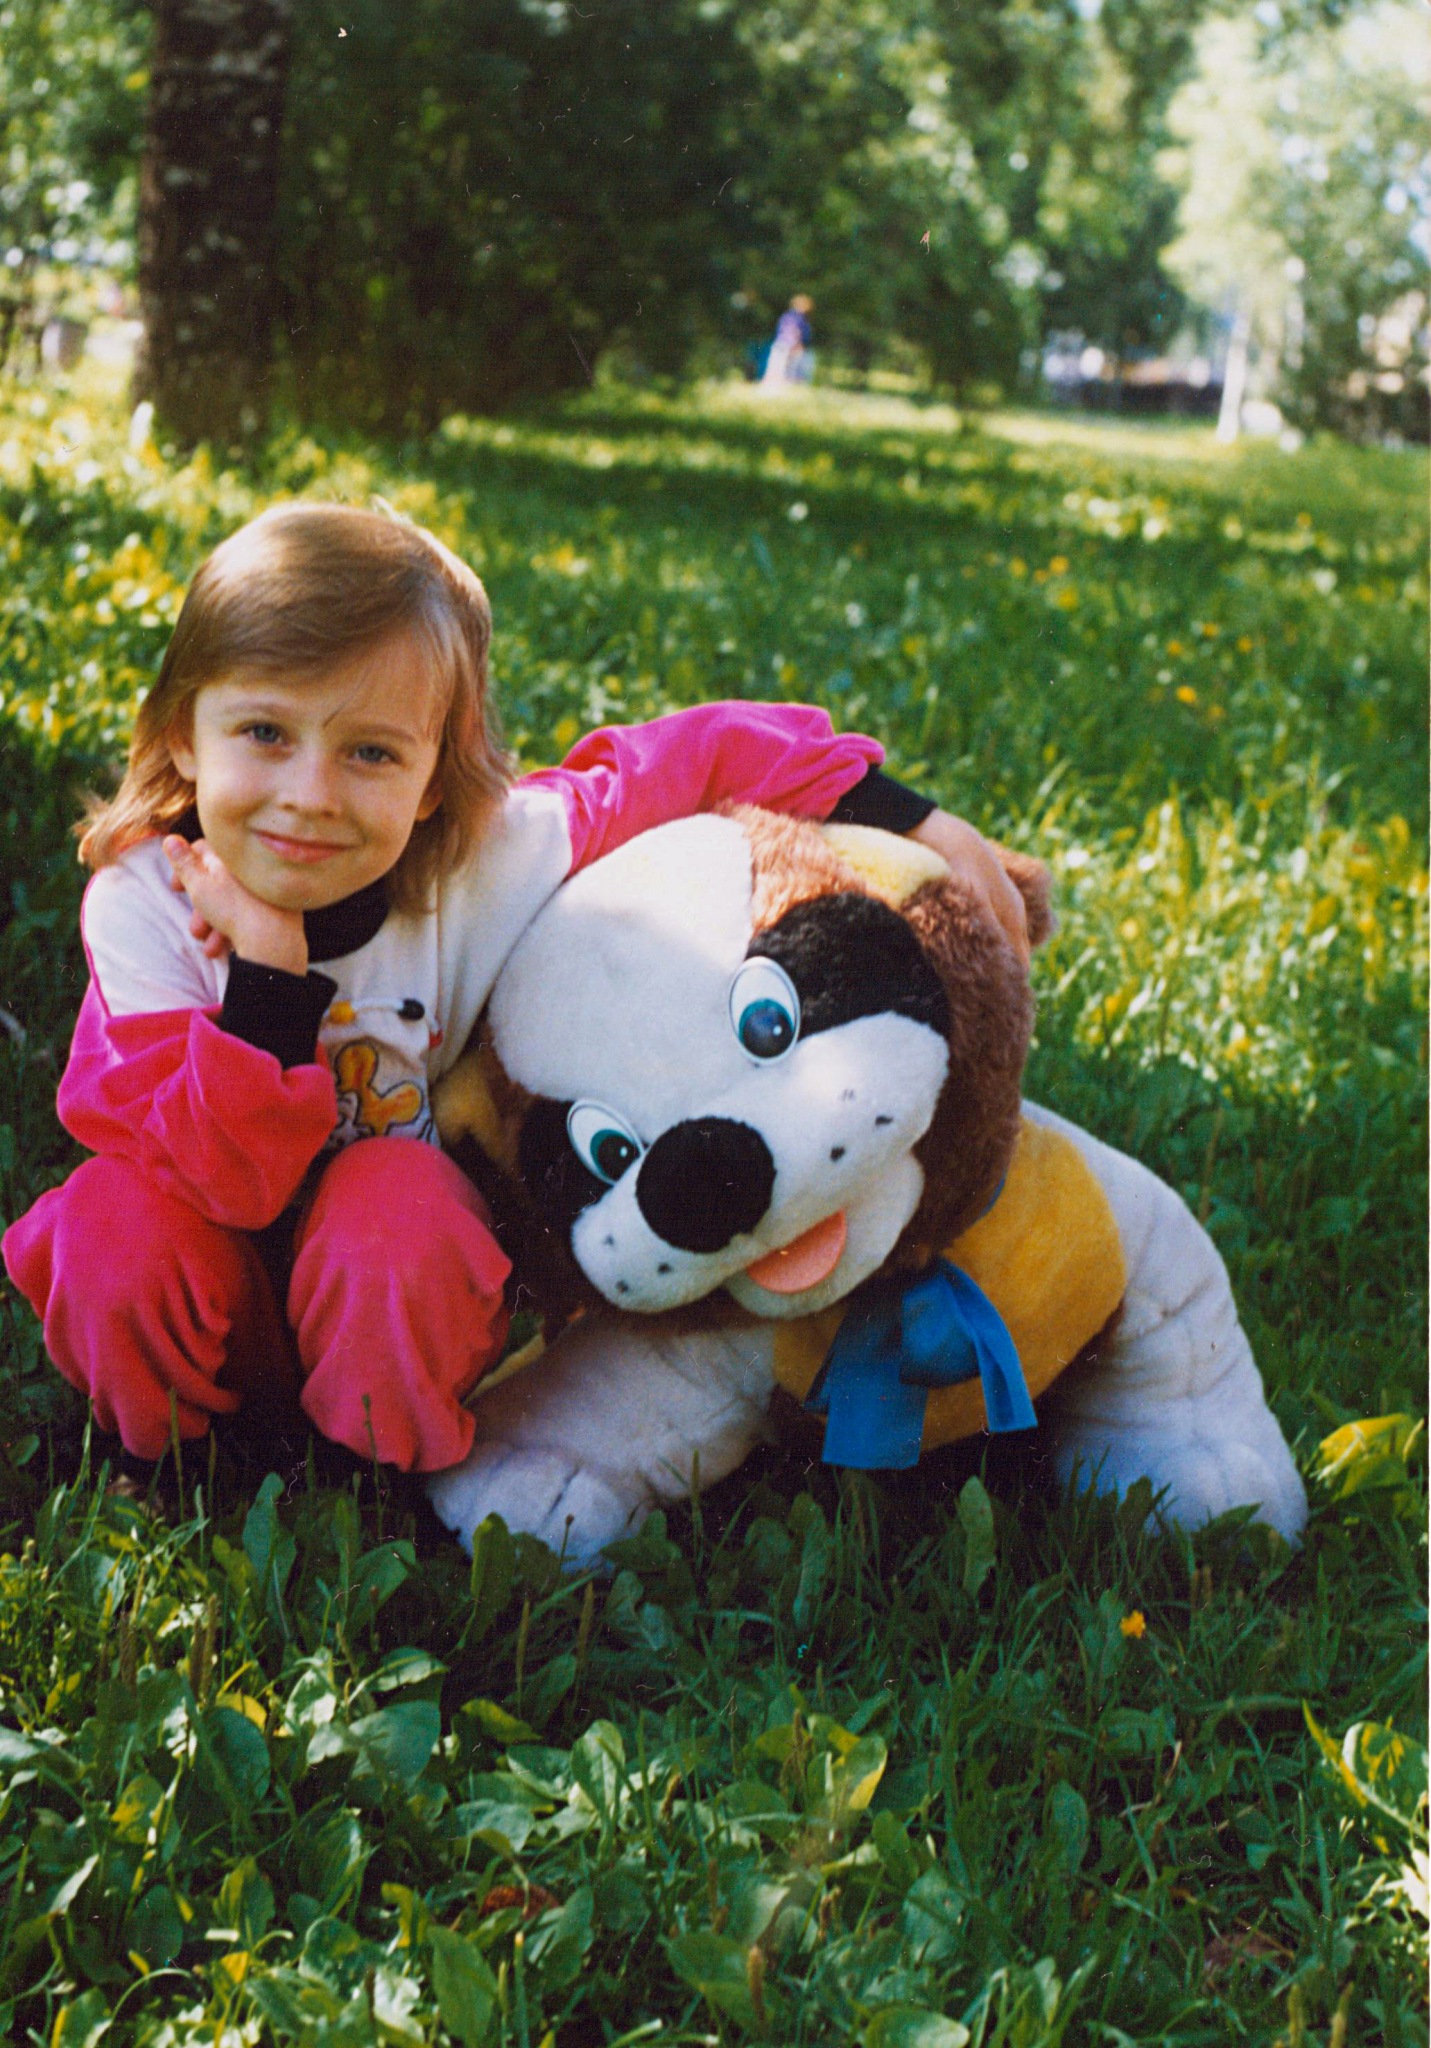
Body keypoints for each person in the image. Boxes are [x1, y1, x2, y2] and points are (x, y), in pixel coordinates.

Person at [2, 501, 1023, 1489]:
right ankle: (168, 1462)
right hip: (211, 1277)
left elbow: (686, 755)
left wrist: (908, 813)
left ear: (434, 781)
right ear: (184, 735)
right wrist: (270, 975)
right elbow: (226, 1186)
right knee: (109, 1221)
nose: (310, 795)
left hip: (389, 1304)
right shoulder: (144, 907)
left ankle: (372, 1471)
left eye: (371, 752)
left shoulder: (480, 863)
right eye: (265, 732)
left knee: (396, 1197)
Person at [761, 294, 815, 389]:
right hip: (789, 345)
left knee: (780, 367)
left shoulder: (792, 316)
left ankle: (777, 386)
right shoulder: (795, 317)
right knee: (785, 368)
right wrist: (796, 344)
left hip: (784, 344)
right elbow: (793, 331)